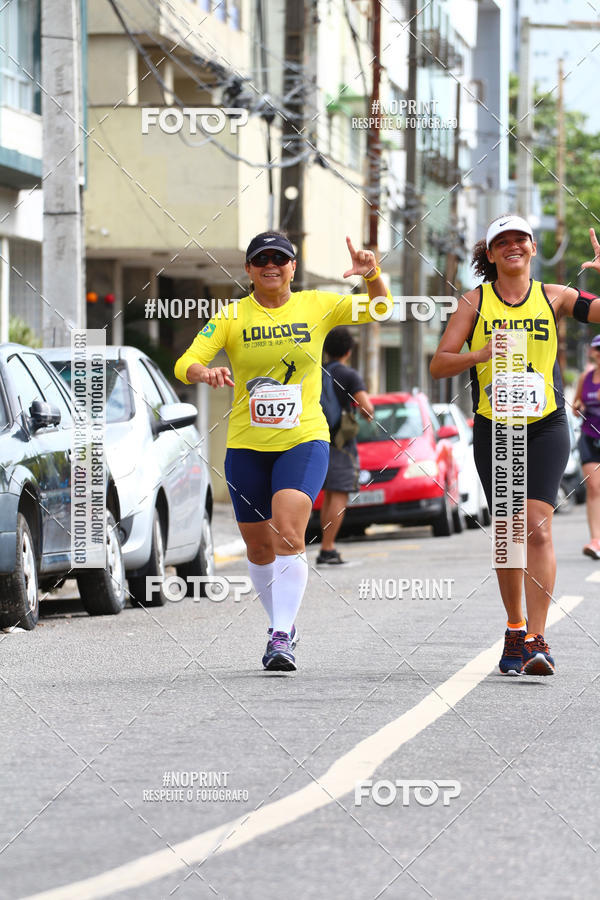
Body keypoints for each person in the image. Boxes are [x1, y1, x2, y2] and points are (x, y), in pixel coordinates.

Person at [175, 232, 389, 671]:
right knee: (258, 547)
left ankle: (278, 635)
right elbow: (185, 363)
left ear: (293, 266)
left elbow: (381, 309)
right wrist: (204, 372)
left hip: (303, 438)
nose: (270, 264)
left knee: (288, 533)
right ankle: (282, 626)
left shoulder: (317, 304)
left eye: (280, 258)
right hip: (247, 445)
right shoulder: (232, 316)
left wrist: (372, 275)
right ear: (249, 270)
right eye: (261, 259)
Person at [430, 215, 600, 676]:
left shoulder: (555, 296)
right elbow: (439, 364)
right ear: (490, 253)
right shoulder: (474, 302)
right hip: (496, 428)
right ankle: (514, 626)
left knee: (537, 527)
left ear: (532, 247)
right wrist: (480, 354)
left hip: (545, 425)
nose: (513, 246)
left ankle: (537, 639)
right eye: (502, 241)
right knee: (508, 534)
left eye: (520, 239)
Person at [317, 326, 373, 565]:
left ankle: (325, 545)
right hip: (341, 442)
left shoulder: (316, 371)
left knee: (328, 494)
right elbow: (367, 408)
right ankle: (327, 548)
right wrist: (362, 414)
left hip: (316, 438)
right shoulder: (349, 375)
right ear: (348, 351)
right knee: (339, 493)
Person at [573, 333, 600, 559]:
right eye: (597, 350)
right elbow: (576, 405)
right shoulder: (586, 377)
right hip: (590, 436)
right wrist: (579, 406)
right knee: (593, 486)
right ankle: (595, 540)